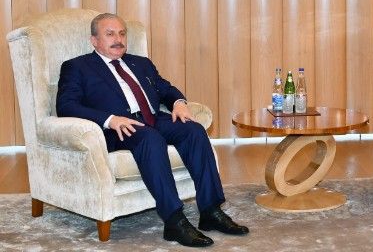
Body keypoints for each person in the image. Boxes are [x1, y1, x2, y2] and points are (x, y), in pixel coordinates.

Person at [57, 13, 248, 248]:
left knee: (194, 131)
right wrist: (110, 119)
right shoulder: (77, 67)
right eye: (110, 34)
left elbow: (165, 89)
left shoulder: (141, 63)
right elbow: (66, 105)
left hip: (153, 118)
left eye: (122, 33)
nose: (118, 39)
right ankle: (174, 220)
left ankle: (210, 210)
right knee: (151, 139)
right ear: (94, 40)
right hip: (119, 128)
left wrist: (178, 102)